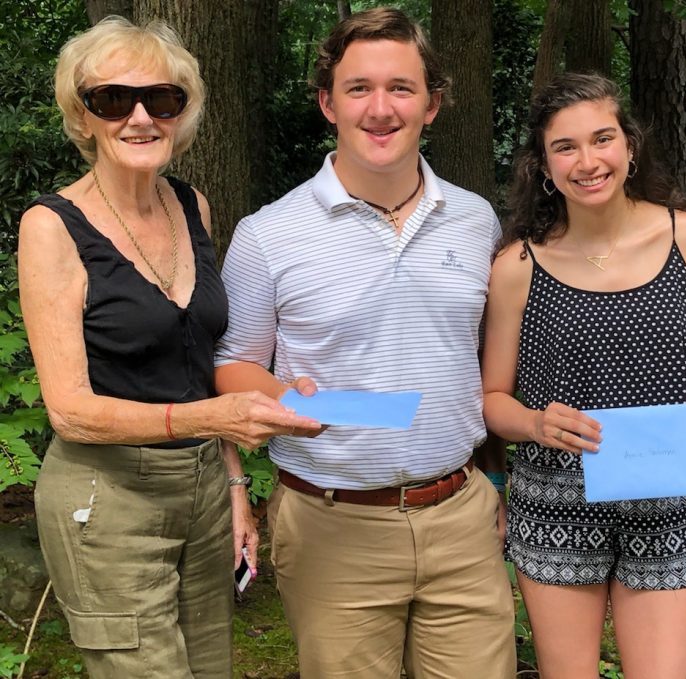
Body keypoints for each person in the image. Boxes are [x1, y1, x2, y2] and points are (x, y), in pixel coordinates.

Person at [212, 7, 515, 678]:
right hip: (331, 523)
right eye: (359, 89)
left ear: (432, 104)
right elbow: (232, 364)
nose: (381, 109)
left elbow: (481, 365)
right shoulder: (268, 234)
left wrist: (493, 483)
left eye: (401, 88)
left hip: (460, 514)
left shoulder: (475, 219)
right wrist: (283, 396)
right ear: (328, 103)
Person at [18, 16, 321, 679]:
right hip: (108, 497)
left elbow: (199, 369)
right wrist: (212, 419)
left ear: (181, 112)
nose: (138, 116)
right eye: (112, 99)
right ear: (83, 112)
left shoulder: (192, 206)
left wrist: (236, 484)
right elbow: (69, 411)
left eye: (161, 99)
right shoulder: (51, 226)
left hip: (204, 490)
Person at [481, 72, 686, 679]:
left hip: (670, 502)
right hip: (557, 505)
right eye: (565, 147)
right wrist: (535, 423)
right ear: (543, 164)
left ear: (630, 146)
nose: (587, 161)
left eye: (602, 139)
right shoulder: (517, 265)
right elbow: (490, 400)